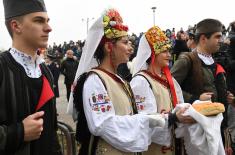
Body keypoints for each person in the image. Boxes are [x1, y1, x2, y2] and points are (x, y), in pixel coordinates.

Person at [68, 8, 167, 155]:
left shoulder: (120, 80)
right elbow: (102, 124)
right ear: (109, 47)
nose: (130, 48)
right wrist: (144, 120)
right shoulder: (95, 80)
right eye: (125, 42)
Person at [0, 0, 61, 154]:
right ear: (16, 26)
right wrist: (18, 132)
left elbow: (51, 131)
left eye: (47, 21)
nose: (48, 28)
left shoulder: (45, 71)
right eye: (39, 21)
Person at [130, 26, 194, 155]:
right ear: (153, 54)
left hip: (175, 145)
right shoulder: (141, 81)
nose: (169, 55)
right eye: (164, 51)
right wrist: (173, 119)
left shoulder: (171, 80)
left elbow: (180, 105)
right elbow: (144, 121)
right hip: (155, 149)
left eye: (169, 51)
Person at [171, 18, 235, 145]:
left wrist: (226, 96)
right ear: (203, 39)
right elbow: (169, 88)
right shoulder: (187, 60)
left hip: (216, 127)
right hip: (196, 133)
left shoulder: (214, 60)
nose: (221, 41)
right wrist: (195, 98)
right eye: (217, 37)